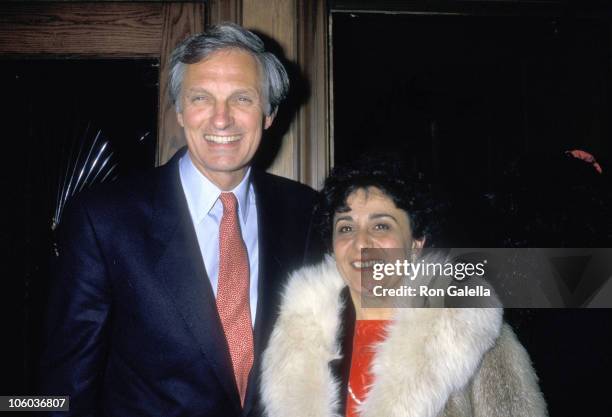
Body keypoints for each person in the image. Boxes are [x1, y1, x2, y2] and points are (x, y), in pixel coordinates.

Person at [39, 23, 321, 417]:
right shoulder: (102, 219)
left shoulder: (305, 211)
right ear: (180, 111)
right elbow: (64, 389)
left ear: (269, 113)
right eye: (201, 98)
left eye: (242, 98)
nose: (221, 120)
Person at [260, 157, 548, 417]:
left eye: (381, 226)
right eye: (346, 228)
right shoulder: (296, 338)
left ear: (415, 244)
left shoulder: (474, 337)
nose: (361, 244)